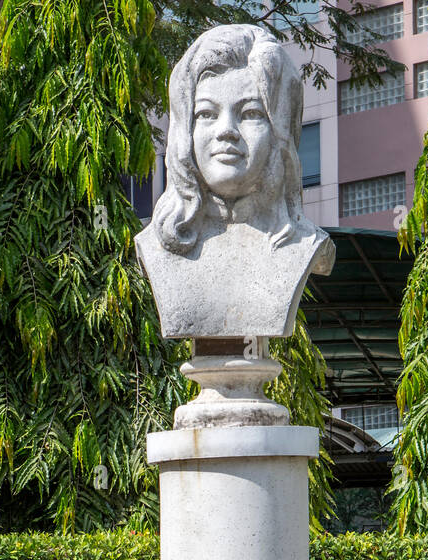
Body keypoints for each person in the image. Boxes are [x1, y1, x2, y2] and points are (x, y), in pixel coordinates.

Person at [136, 24, 334, 340]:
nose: (226, 130)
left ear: (280, 133)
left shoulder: (304, 245)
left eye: (250, 113)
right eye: (206, 114)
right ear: (185, 131)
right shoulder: (155, 246)